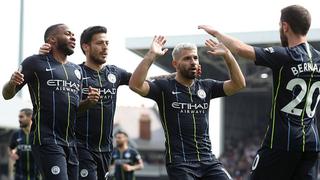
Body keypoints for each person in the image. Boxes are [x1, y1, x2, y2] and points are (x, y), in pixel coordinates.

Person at [198, 4, 320, 180]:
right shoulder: (318, 58)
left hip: (281, 142)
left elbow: (241, 49)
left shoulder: (285, 55)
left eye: (280, 25)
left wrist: (217, 33)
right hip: (311, 143)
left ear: (285, 26)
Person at [129, 35, 245, 179]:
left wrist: (228, 55)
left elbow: (238, 84)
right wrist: (151, 55)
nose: (193, 62)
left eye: (195, 58)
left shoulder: (206, 86)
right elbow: (135, 85)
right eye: (187, 58)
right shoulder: (164, 88)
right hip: (180, 163)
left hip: (209, 161)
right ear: (175, 64)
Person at [2, 23, 99, 180]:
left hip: (70, 142)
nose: (73, 37)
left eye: (74, 34)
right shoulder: (34, 62)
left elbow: (75, 109)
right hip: (46, 139)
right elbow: (7, 95)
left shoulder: (77, 70)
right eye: (68, 33)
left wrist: (89, 102)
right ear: (52, 39)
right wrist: (12, 83)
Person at [39, 25, 132, 180]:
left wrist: (169, 76)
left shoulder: (115, 73)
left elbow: (142, 82)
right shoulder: (75, 72)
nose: (105, 47)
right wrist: (43, 56)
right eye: (100, 43)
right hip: (80, 146)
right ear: (86, 46)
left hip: (106, 149)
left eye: (107, 43)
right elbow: (66, 106)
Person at [8, 108, 40, 180]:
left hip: (36, 176)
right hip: (20, 175)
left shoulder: (38, 134)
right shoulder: (16, 134)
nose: (19, 119)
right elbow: (10, 148)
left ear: (30, 117)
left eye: (21, 117)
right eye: (19, 117)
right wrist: (11, 154)